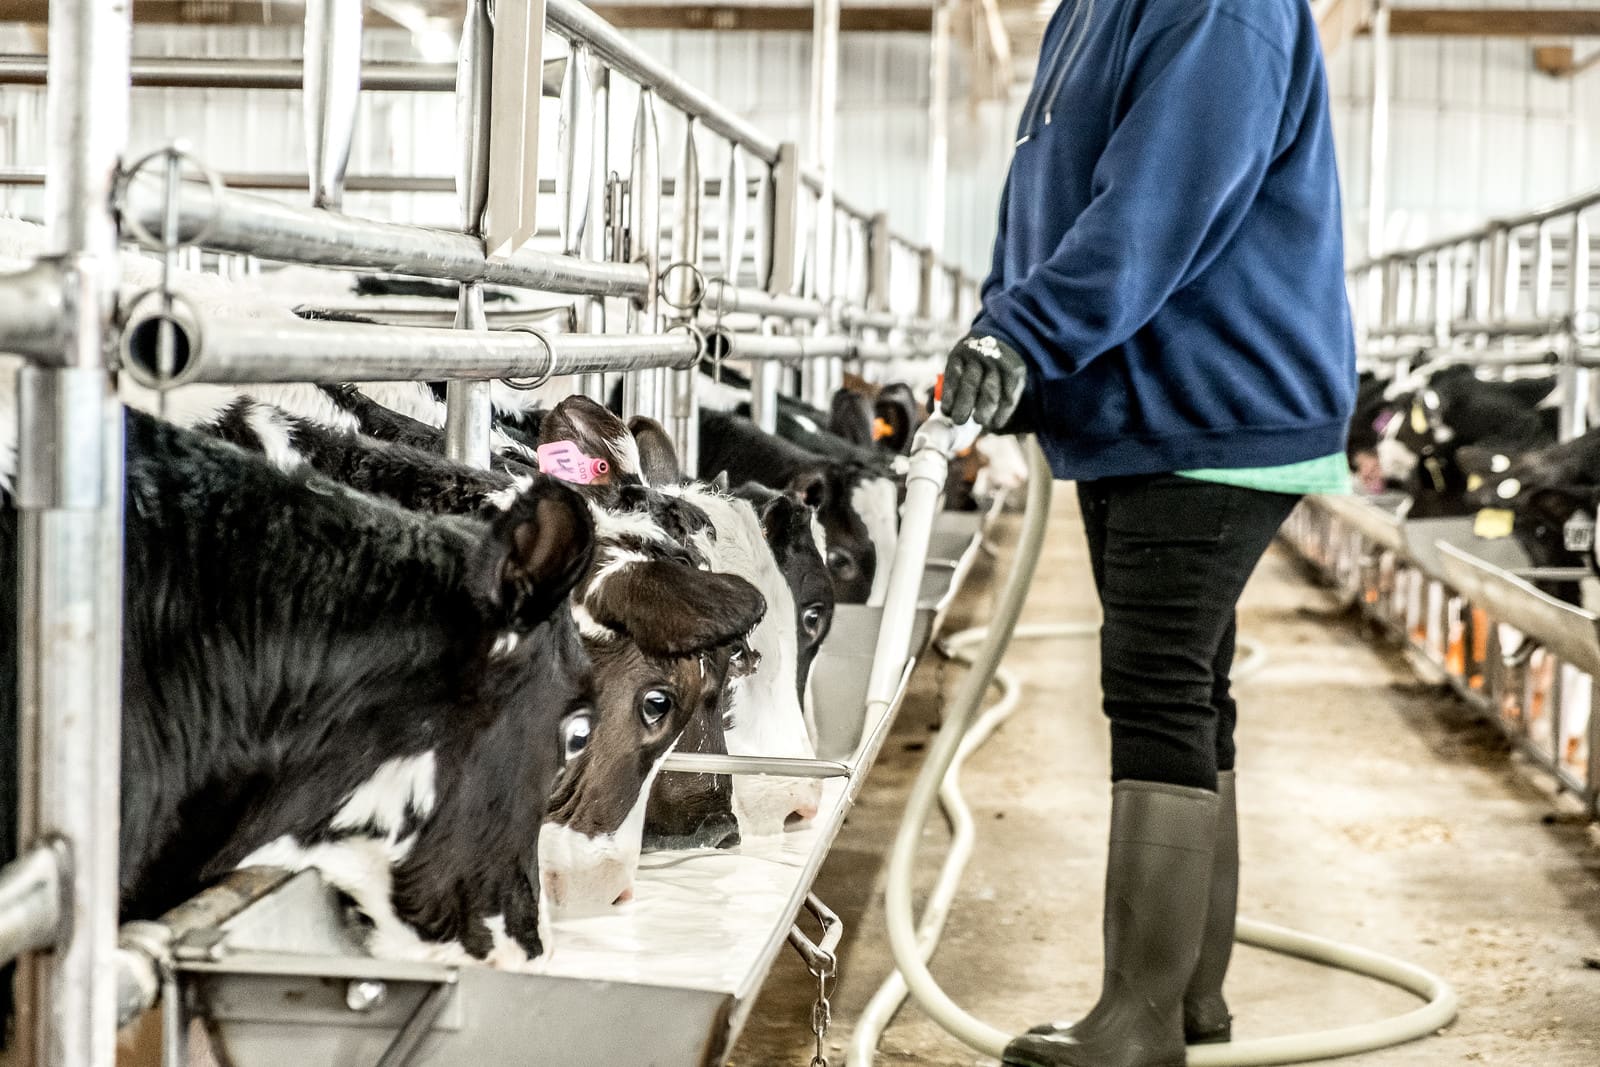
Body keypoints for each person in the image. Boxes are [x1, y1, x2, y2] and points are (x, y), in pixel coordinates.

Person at [939, 1, 1357, 1065]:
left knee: (1155, 680)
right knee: (1182, 686)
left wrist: (1030, 330)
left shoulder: (1220, 6)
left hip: (1211, 400)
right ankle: (1184, 1001)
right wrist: (1004, 328)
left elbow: (1163, 198)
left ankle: (1136, 1021)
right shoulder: (1086, 10)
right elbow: (1043, 198)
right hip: (1137, 406)